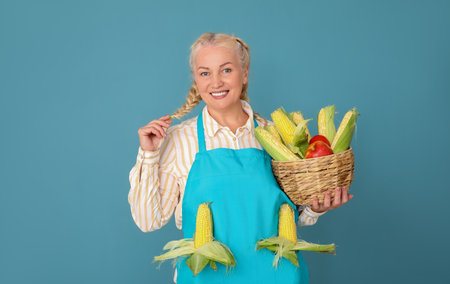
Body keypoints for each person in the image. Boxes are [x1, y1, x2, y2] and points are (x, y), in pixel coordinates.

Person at [128, 32, 354, 283]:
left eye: (226, 70)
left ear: (244, 74)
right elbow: (148, 221)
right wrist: (149, 155)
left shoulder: (276, 137)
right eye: (205, 73)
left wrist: (315, 208)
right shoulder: (178, 140)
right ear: (195, 79)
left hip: (276, 276)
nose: (216, 82)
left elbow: (293, 214)